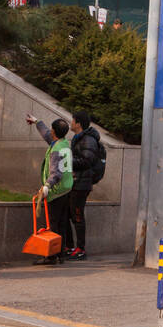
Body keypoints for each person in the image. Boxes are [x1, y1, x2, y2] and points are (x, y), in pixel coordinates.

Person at [25, 113, 72, 265]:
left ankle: (51, 256)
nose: (49, 131)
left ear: (54, 132)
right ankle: (61, 254)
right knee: (62, 223)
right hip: (66, 189)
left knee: (52, 224)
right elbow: (46, 134)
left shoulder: (56, 149)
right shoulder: (64, 143)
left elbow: (56, 173)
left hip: (56, 191)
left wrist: (47, 186)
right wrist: (37, 122)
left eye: (51, 129)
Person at [64, 110, 103, 260]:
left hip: (82, 183)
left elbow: (87, 161)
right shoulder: (79, 138)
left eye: (72, 120)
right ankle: (70, 246)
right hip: (75, 181)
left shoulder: (88, 140)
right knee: (68, 214)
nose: (71, 123)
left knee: (77, 215)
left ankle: (80, 249)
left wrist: (67, 162)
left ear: (78, 123)